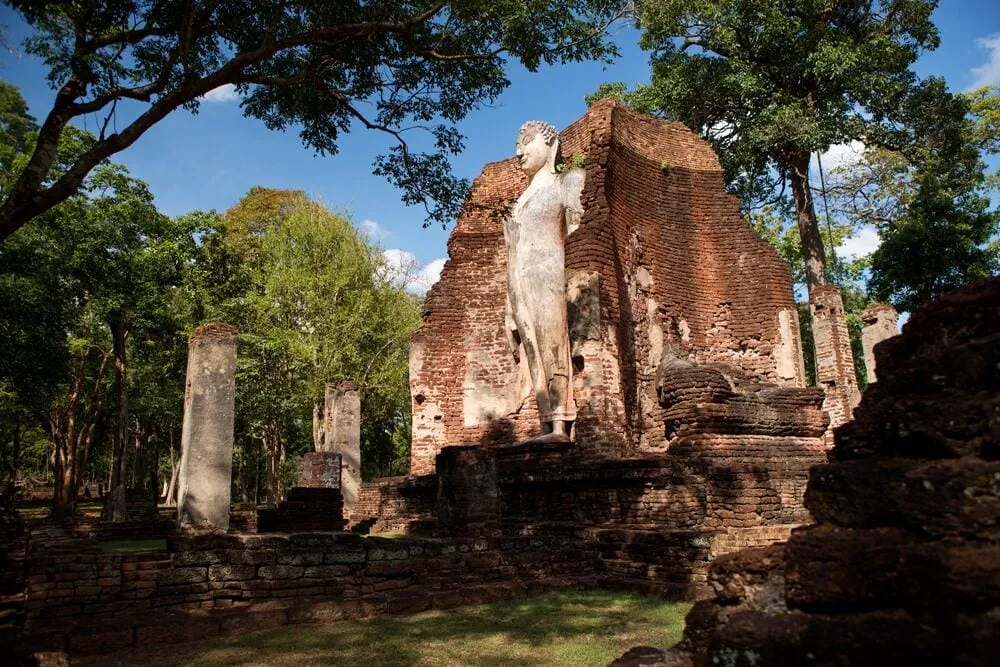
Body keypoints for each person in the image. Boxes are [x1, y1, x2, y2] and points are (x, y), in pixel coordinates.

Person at [504, 121, 585, 443]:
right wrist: (508, 304)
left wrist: (577, 284)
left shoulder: (567, 180)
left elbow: (580, 234)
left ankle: (561, 425)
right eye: (516, 144)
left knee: (553, 344)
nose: (518, 151)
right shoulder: (519, 201)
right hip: (520, 282)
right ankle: (545, 422)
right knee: (532, 352)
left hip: (550, 275)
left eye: (526, 141)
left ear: (549, 142)